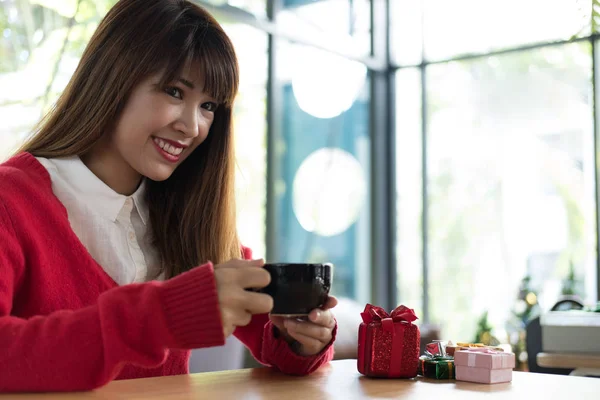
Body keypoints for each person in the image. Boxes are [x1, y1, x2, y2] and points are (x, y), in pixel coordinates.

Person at [0, 0, 337, 392]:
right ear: (114, 79)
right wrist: (164, 313)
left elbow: (283, 346)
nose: (193, 127)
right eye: (175, 92)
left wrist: (303, 336)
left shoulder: (187, 216)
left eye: (209, 106)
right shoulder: (12, 200)